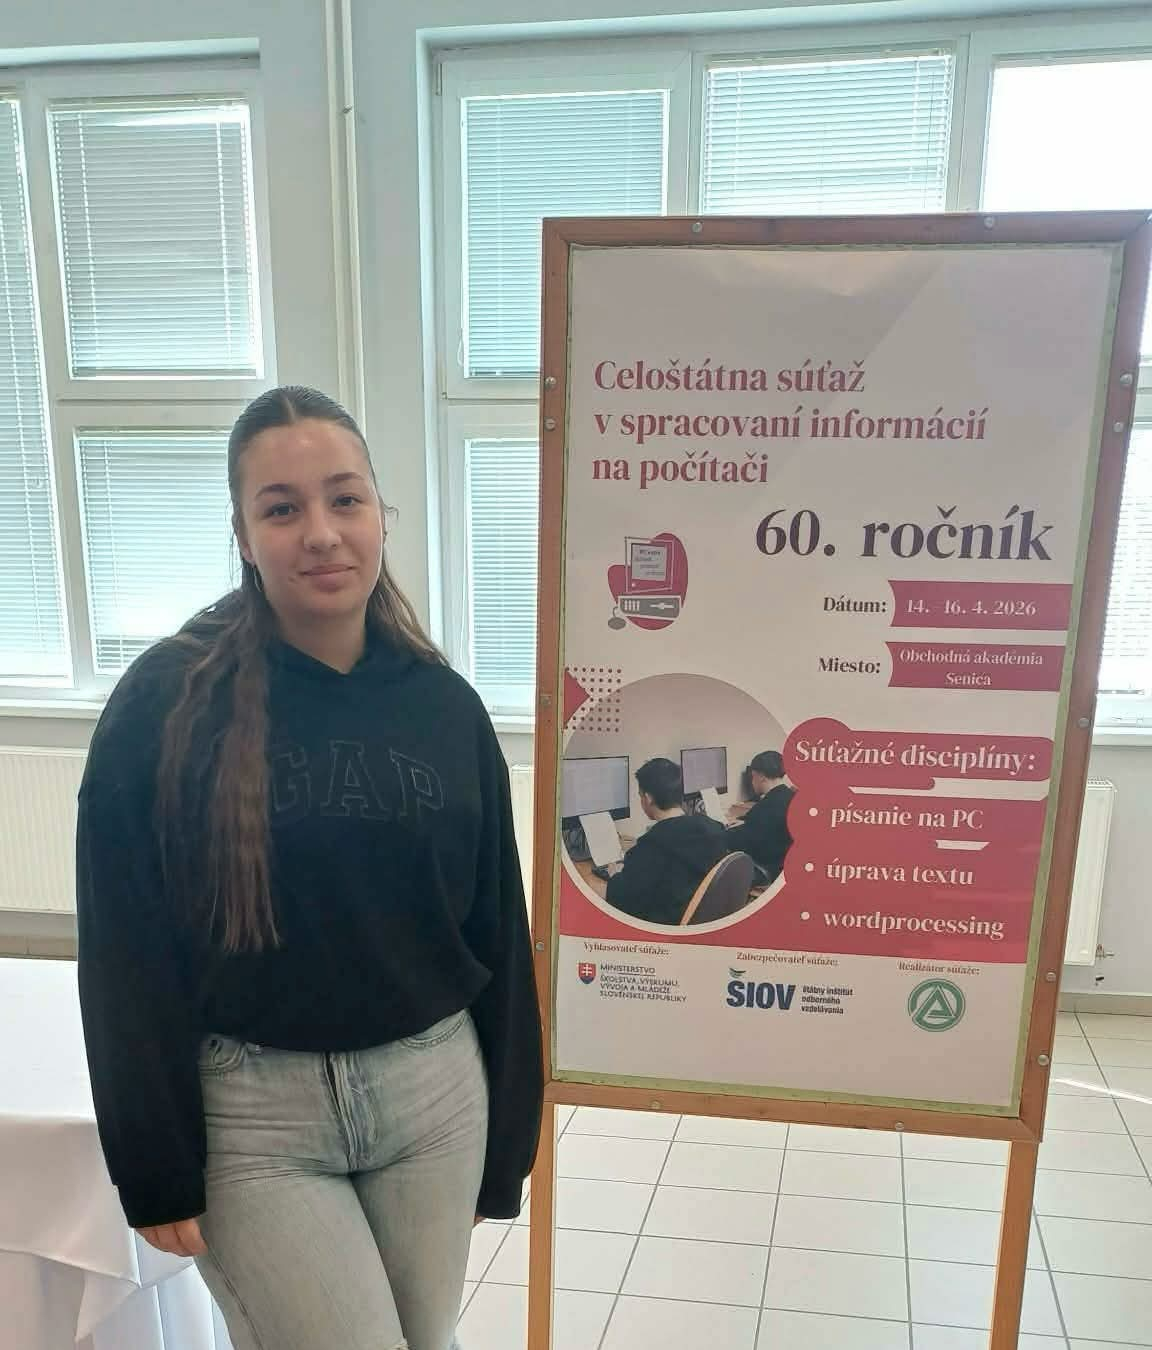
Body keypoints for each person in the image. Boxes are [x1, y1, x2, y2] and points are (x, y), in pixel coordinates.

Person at [75, 386, 543, 1350]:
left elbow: (497, 926)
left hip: (434, 1097)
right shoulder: (165, 703)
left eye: (345, 499)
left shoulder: (443, 706)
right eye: (282, 508)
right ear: (244, 537)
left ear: (381, 514)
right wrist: (151, 1158)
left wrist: (511, 1137)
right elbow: (122, 945)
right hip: (252, 1119)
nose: (321, 533)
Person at [605, 758, 729, 925]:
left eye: (640, 795)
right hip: (703, 920)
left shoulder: (651, 846)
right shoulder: (714, 828)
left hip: (667, 925)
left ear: (648, 798)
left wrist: (615, 877)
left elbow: (626, 902)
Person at [725, 749, 796, 881]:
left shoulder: (768, 806)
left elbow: (740, 842)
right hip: (783, 862)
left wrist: (721, 830)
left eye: (753, 776)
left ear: (761, 777)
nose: (752, 781)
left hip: (767, 867)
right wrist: (746, 823)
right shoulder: (789, 796)